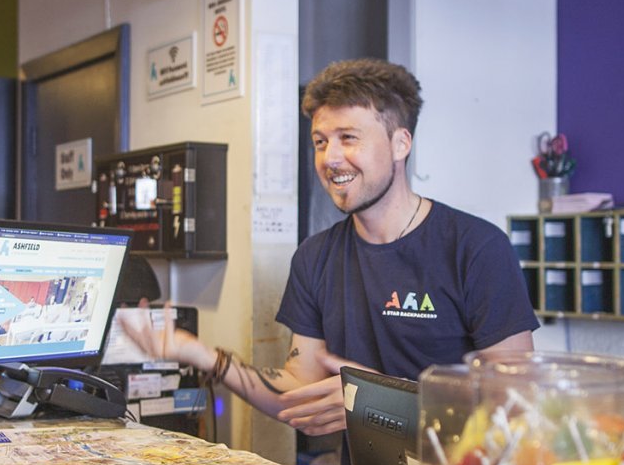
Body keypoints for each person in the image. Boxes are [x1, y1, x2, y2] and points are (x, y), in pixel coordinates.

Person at [121, 58, 536, 437]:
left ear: (400, 144)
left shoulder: (476, 248)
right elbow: (296, 392)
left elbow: (516, 403)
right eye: (320, 141)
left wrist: (381, 403)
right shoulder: (315, 257)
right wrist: (200, 354)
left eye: (348, 138)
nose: (330, 158)